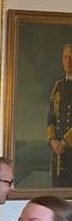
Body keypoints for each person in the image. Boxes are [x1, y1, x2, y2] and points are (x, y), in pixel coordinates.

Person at [48, 43, 72, 187]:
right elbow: (51, 117)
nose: (69, 61)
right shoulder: (58, 86)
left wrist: (64, 142)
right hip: (57, 153)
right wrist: (52, 140)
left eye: (71, 57)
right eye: (66, 57)